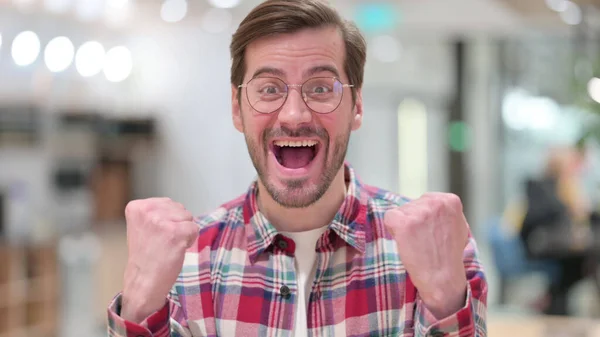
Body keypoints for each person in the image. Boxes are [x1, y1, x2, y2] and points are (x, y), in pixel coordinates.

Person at [106, 0, 488, 336]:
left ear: (356, 106)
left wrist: (443, 299)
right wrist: (140, 306)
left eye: (321, 88)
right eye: (269, 88)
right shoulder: (187, 262)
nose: (294, 115)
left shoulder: (435, 248)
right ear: (237, 109)